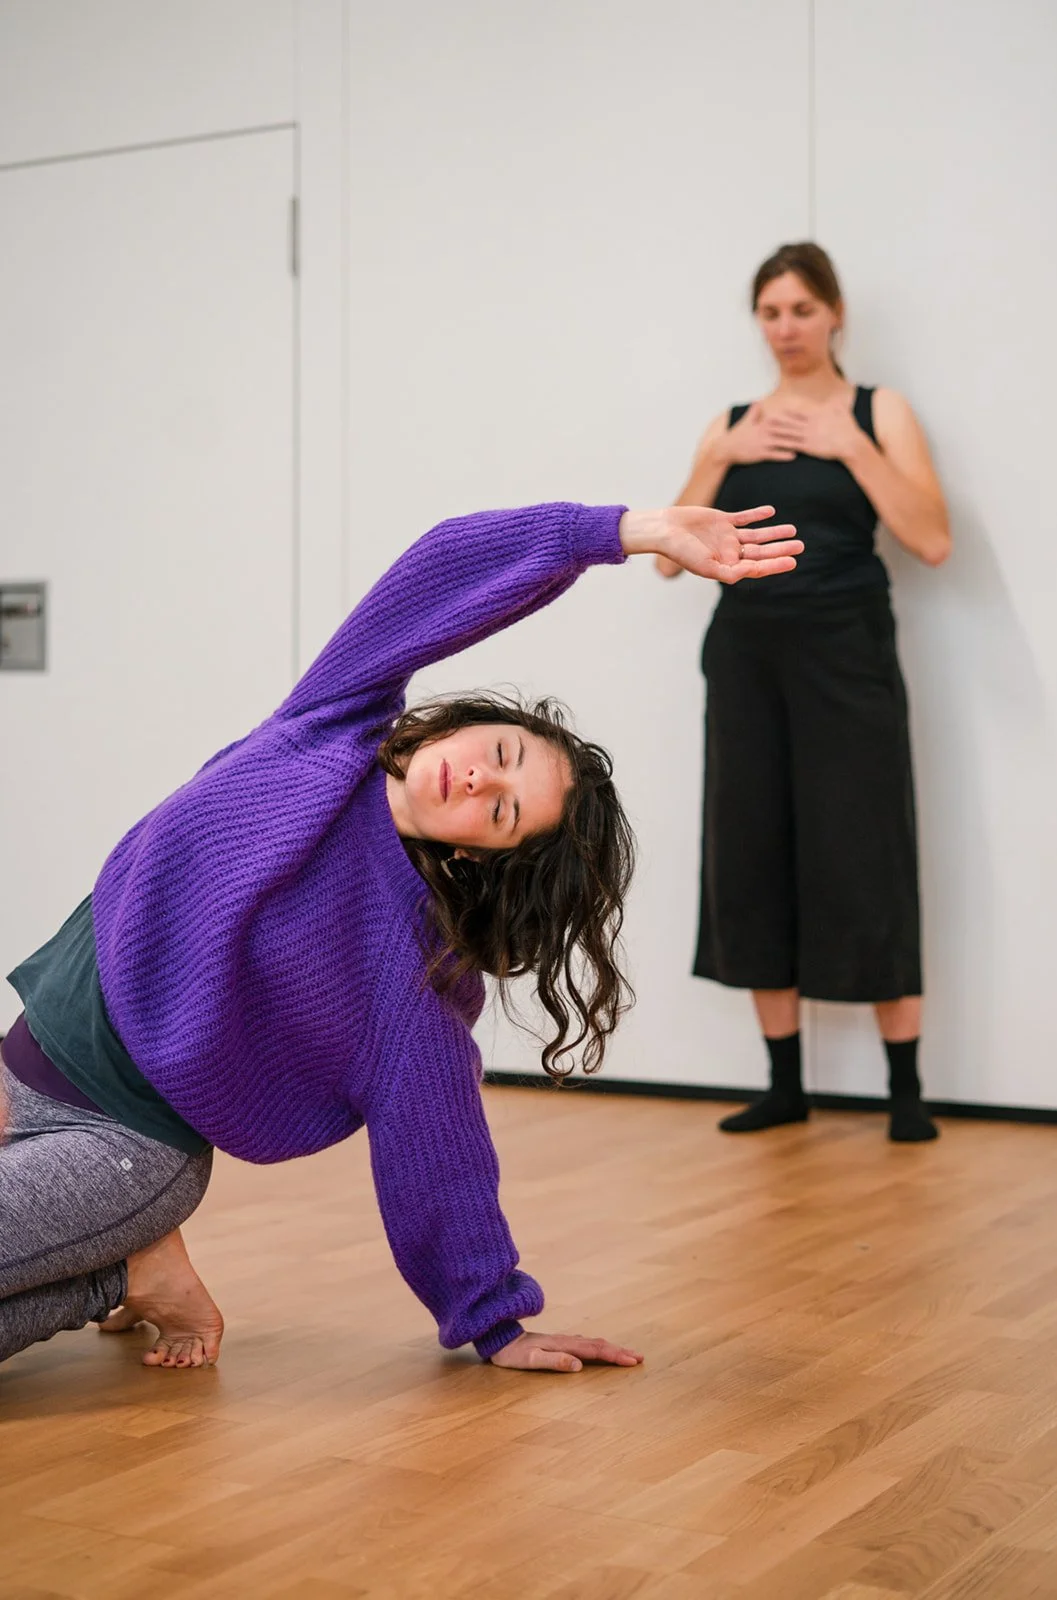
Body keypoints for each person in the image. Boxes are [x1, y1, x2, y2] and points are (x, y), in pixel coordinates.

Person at [1, 497, 801, 1373]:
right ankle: (115, 1267)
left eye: (502, 812)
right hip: (19, 1062)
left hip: (120, 1152)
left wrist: (495, 1321)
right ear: (468, 726)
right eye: (499, 754)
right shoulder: (330, 723)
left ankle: (116, 1268)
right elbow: (440, 569)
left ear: (486, 853)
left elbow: (437, 1142)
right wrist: (618, 531)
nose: (476, 782)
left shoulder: (413, 966)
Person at [657, 242, 951, 1141]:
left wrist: (850, 446)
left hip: (847, 652)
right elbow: (670, 559)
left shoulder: (877, 410)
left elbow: (931, 540)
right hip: (746, 654)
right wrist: (722, 456)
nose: (785, 328)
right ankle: (785, 1084)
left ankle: (906, 1090)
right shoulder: (731, 422)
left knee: (864, 848)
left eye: (801, 310)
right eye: (770, 312)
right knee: (750, 847)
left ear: (834, 316)